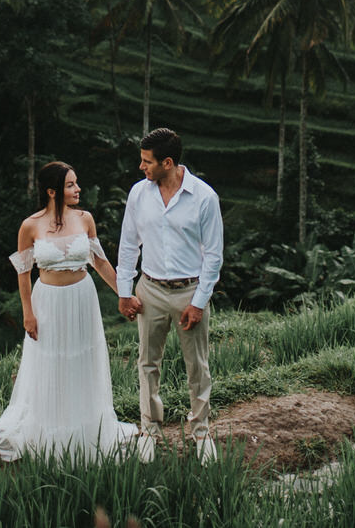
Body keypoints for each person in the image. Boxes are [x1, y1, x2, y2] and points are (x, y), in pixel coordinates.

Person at [0, 160, 137, 461]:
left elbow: (99, 262)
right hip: (48, 301)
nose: (77, 189)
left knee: (82, 358)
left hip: (82, 298)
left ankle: (86, 428)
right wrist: (27, 313)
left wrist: (125, 295)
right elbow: (23, 273)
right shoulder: (30, 226)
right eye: (70, 184)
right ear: (52, 191)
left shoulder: (85, 218)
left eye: (76, 183)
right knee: (50, 361)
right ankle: (50, 429)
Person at [116, 127, 224, 462]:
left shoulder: (204, 197)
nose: (141, 167)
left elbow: (214, 255)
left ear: (168, 162)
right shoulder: (139, 194)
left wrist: (199, 302)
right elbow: (128, 244)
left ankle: (201, 431)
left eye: (147, 161)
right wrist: (124, 291)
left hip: (188, 290)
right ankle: (150, 429)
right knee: (147, 362)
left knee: (197, 365)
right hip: (149, 290)